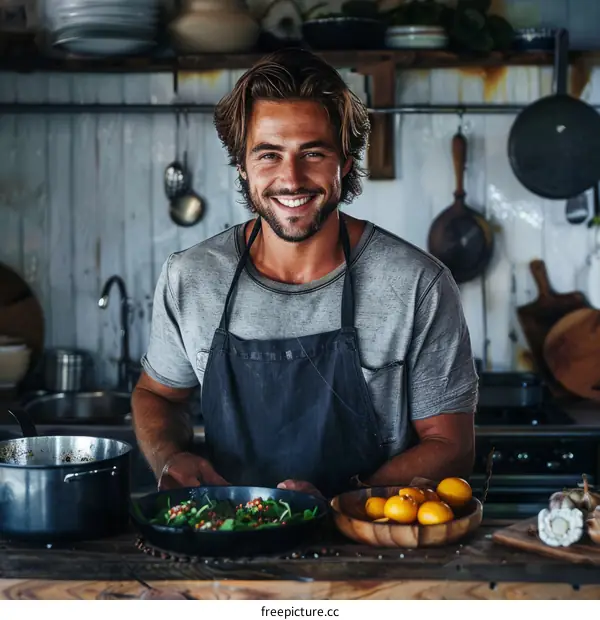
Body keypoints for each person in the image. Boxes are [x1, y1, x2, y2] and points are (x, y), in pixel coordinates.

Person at [131, 48, 478, 499]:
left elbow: (451, 445)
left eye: (312, 153)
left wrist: (343, 501)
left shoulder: (417, 283)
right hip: (226, 541)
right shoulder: (191, 277)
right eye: (268, 155)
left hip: (367, 547)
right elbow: (157, 396)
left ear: (346, 163)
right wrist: (170, 456)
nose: (291, 179)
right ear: (242, 166)